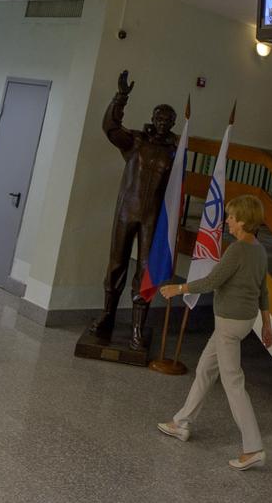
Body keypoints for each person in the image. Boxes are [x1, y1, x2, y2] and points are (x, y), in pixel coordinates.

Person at [156, 194, 272, 471]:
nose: (228, 221)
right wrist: (266, 324)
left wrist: (178, 288)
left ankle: (253, 448)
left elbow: (211, 281)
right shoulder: (259, 250)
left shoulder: (238, 250)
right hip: (240, 322)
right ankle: (181, 422)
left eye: (232, 217)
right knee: (205, 370)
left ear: (243, 221)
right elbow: (264, 291)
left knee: (233, 383)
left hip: (229, 324)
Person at [87, 70, 178, 350]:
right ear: (153, 118)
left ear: (172, 124)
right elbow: (110, 128)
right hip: (126, 212)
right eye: (159, 118)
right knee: (116, 264)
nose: (162, 123)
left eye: (167, 120)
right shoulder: (136, 141)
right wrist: (120, 98)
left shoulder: (174, 152)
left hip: (152, 218)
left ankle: (137, 327)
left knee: (146, 271)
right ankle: (107, 315)